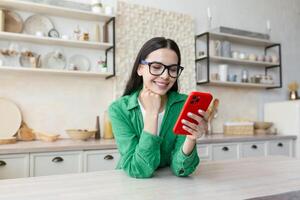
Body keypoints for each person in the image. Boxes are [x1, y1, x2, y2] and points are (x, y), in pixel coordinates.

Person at [108, 37, 208, 178]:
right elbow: (137, 170)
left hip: (170, 187)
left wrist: (191, 139)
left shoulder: (183, 105)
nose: (166, 76)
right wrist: (151, 114)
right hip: (132, 187)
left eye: (173, 69)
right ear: (140, 68)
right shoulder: (119, 109)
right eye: (156, 67)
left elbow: (181, 169)